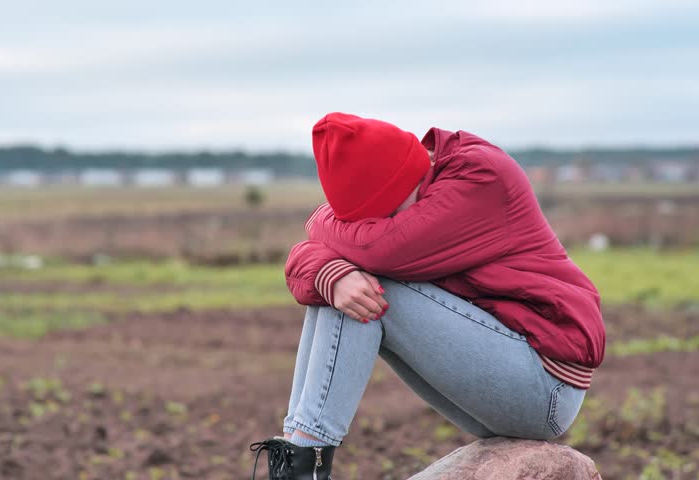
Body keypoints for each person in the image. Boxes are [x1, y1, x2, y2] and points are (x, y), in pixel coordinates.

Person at [249, 112, 605, 480]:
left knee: (365, 289)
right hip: (506, 374)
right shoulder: (424, 181)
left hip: (546, 385)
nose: (386, 221)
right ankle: (298, 456)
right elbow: (335, 257)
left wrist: (321, 227)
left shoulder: (480, 178)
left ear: (404, 178)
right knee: (343, 283)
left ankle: (305, 465)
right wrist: (331, 271)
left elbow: (377, 249)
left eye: (387, 213)